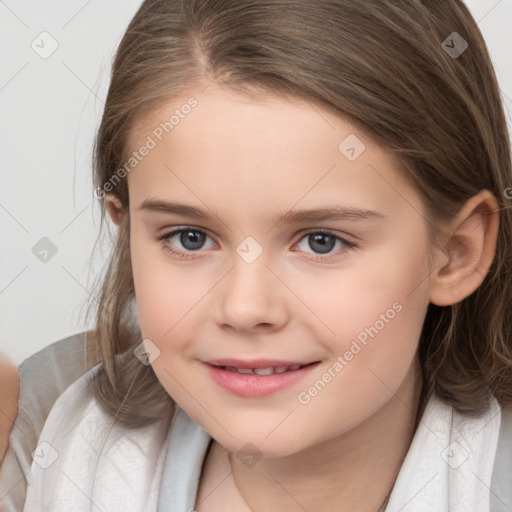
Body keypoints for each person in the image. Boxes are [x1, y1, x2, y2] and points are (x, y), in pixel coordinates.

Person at [1, 0, 512, 510]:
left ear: (455, 253)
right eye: (189, 238)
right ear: (128, 230)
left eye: (321, 241)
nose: (245, 309)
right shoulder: (39, 433)